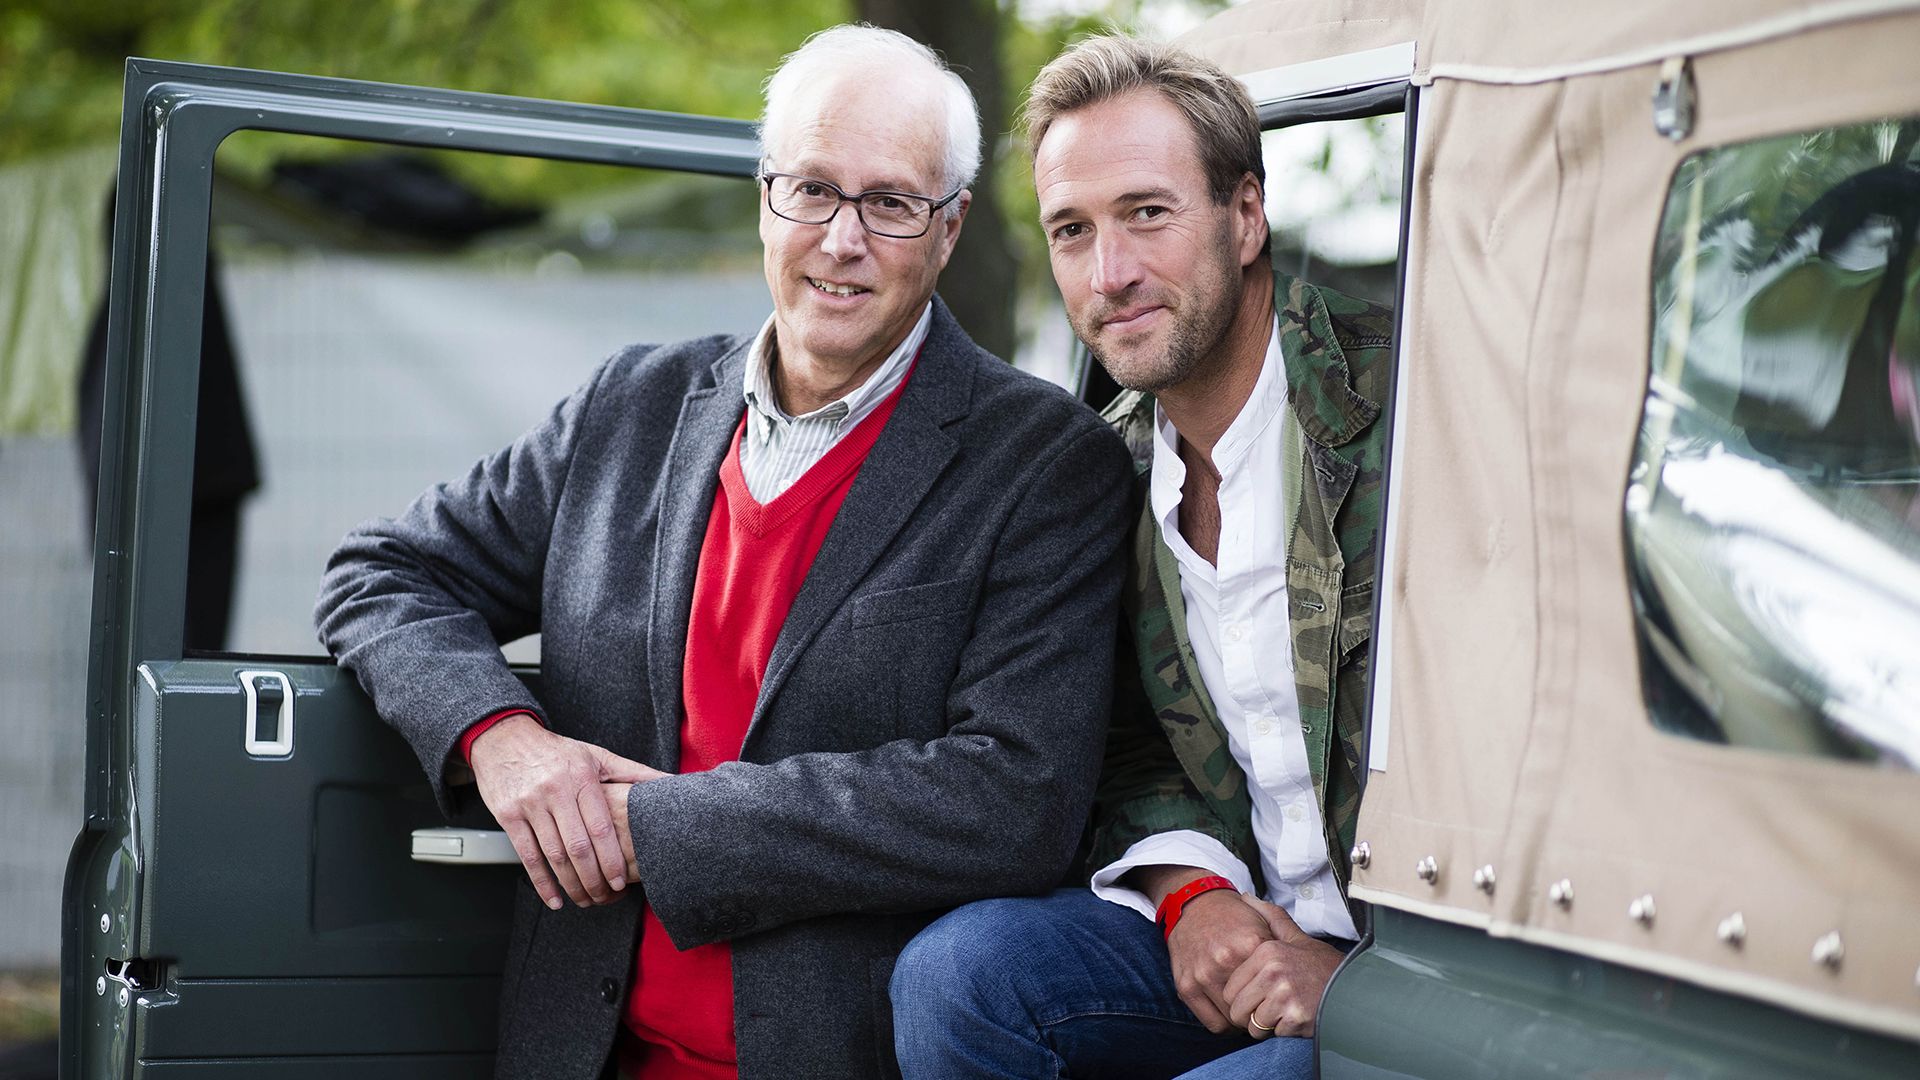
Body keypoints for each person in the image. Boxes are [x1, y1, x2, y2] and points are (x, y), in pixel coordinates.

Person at [314, 25, 1131, 1080]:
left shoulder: (1044, 464)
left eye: (890, 204)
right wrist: (501, 740)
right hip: (577, 1051)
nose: (842, 240)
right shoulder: (633, 404)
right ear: (764, 196)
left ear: (950, 227)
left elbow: (1016, 797)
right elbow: (381, 570)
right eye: (812, 191)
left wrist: (663, 826)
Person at [891, 34, 1394, 1080]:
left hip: (1432, 967)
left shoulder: (1399, 408)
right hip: (1253, 923)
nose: (1110, 274)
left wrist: (1367, 984)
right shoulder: (1096, 468)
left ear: (1245, 216)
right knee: (957, 977)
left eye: (1148, 215)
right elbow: (1120, 738)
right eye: (1073, 231)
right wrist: (1190, 893)